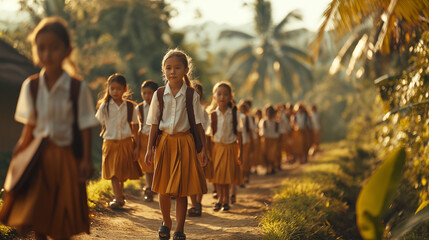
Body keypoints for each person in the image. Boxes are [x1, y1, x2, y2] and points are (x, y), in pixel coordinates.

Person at [0, 17, 98, 240]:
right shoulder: (31, 86)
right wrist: (17, 157)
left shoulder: (76, 87)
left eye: (54, 48)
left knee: (62, 221)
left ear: (67, 51)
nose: (48, 54)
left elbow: (85, 125)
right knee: (38, 218)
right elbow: (29, 128)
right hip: (37, 158)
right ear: (35, 51)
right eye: (41, 48)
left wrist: (85, 159)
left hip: (66, 160)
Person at [145, 49, 209, 240]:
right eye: (168, 68)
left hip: (185, 143)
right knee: (163, 188)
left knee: (182, 190)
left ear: (186, 70)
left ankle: (179, 229)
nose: (172, 72)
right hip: (164, 143)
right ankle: (166, 222)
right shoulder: (159, 94)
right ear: (163, 70)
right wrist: (149, 148)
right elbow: (154, 123)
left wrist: (203, 149)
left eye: (177, 68)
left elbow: (198, 124)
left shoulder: (191, 95)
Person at [95, 73, 142, 208]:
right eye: (112, 88)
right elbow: (98, 121)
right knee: (114, 173)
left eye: (118, 88)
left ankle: (120, 195)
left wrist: (137, 146)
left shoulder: (130, 106)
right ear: (108, 89)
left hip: (126, 142)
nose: (115, 91)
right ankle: (118, 198)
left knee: (122, 173)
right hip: (110, 142)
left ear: (125, 89)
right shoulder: (104, 106)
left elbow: (135, 126)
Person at [206, 81, 243, 212]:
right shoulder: (211, 115)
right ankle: (220, 199)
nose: (222, 97)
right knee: (218, 176)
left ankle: (225, 200)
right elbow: (208, 136)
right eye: (219, 94)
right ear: (214, 96)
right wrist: (207, 152)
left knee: (227, 176)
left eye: (225, 94)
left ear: (230, 97)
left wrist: (240, 153)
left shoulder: (235, 114)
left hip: (230, 147)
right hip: (216, 148)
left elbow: (239, 135)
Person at [186, 80, 211, 217]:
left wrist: (204, 150)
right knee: (189, 176)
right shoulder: (184, 106)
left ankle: (199, 203)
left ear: (200, 95)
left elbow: (205, 131)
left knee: (200, 176)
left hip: (199, 145)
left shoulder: (203, 111)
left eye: (197, 92)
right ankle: (193, 203)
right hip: (187, 145)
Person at [136, 80, 159, 202]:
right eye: (144, 93)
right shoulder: (139, 108)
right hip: (144, 138)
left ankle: (161, 188)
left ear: (155, 93)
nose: (146, 96)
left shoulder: (160, 106)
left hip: (157, 139)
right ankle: (149, 188)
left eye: (150, 93)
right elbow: (138, 128)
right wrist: (137, 146)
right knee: (147, 165)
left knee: (158, 165)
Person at [259, 105, 280, 175]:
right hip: (266, 140)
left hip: (273, 140)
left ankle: (272, 168)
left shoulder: (276, 123)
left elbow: (277, 133)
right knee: (266, 155)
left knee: (272, 155)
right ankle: (268, 168)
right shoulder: (264, 122)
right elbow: (262, 132)